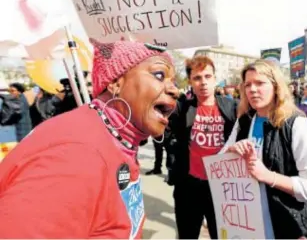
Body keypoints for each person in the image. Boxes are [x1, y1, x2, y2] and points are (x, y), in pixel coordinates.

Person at [0, 40, 179, 238]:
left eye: (174, 82)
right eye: (159, 75)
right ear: (115, 82)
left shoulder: (116, 138)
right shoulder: (75, 155)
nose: (174, 90)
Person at [221, 60, 307, 239]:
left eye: (260, 83)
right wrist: (231, 151)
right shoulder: (244, 121)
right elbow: (219, 162)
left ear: (276, 86)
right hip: (248, 224)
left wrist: (268, 177)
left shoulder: (295, 123)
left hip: (287, 226)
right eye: (248, 84)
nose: (252, 89)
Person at [167, 55, 238, 239]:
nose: (203, 83)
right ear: (190, 81)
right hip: (189, 187)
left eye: (207, 77)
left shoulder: (232, 107)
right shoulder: (182, 108)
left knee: (222, 236)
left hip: (222, 188)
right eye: (197, 78)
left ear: (215, 78)